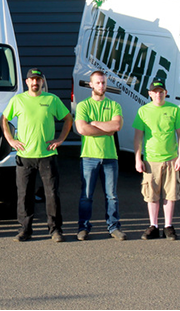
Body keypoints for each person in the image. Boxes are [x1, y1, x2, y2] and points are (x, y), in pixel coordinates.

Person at [2, 68, 72, 242]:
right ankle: (25, 229)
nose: (35, 83)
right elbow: (4, 119)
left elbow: (68, 118)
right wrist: (10, 140)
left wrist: (60, 139)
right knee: (24, 194)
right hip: (25, 156)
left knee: (51, 194)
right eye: (32, 80)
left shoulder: (51, 99)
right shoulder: (18, 100)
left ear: (42, 82)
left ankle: (55, 230)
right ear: (27, 82)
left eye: (38, 80)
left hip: (47, 155)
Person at [133, 78, 180, 240]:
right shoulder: (143, 111)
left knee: (170, 194)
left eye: (161, 92)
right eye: (155, 92)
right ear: (150, 94)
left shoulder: (174, 110)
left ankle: (168, 226)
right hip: (151, 159)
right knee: (152, 194)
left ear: (166, 93)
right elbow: (138, 137)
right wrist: (138, 159)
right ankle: (153, 225)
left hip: (170, 158)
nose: (158, 95)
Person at [74, 71, 125, 241]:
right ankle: (83, 227)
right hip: (89, 156)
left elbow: (117, 125)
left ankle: (114, 226)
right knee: (86, 195)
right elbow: (82, 129)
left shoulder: (115, 105)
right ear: (91, 84)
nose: (101, 86)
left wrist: (94, 124)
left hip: (110, 156)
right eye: (97, 83)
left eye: (103, 83)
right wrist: (105, 129)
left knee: (112, 195)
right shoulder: (83, 106)